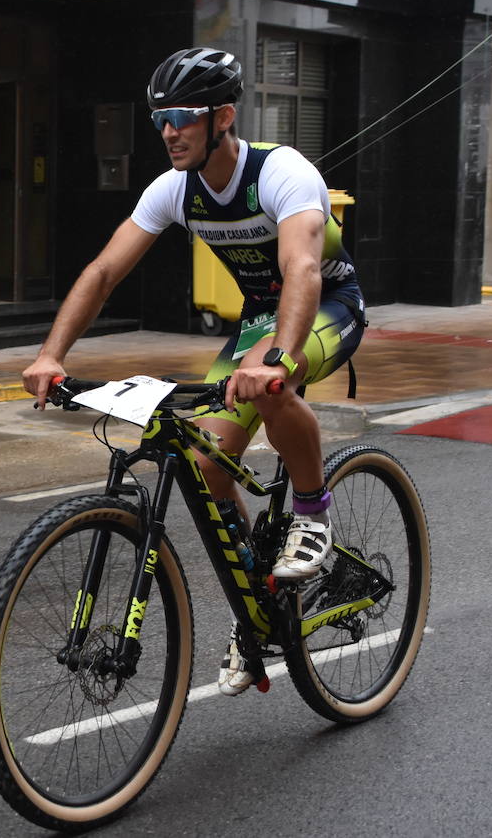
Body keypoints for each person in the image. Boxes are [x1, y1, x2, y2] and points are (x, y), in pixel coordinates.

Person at [21, 47, 365, 697]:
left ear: (223, 117)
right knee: (208, 464)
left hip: (327, 306)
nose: (169, 131)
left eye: (182, 116)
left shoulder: (281, 174)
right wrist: (51, 355)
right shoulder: (175, 190)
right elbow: (102, 273)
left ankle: (313, 519)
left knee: (271, 390)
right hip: (262, 320)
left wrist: (280, 358)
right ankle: (260, 596)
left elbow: (304, 271)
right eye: (160, 120)